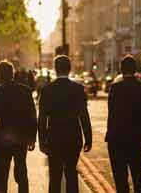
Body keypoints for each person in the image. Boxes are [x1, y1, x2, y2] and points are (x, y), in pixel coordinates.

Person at [38, 55, 92, 193]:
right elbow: (84, 115)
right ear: (69, 69)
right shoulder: (78, 89)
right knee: (71, 173)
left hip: (54, 137)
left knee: (55, 176)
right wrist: (88, 138)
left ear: (55, 69)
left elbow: (42, 118)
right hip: (73, 136)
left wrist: (42, 141)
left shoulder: (47, 90)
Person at [105, 55, 141, 193]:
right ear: (135, 69)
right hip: (137, 140)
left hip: (117, 140)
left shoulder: (115, 88)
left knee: (121, 179)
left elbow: (112, 114)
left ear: (121, 69)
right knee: (138, 175)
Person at [0, 60, 37, 193]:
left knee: (2, 174)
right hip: (21, 136)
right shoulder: (25, 91)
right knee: (21, 171)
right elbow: (32, 116)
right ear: (12, 74)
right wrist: (32, 138)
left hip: (3, 138)